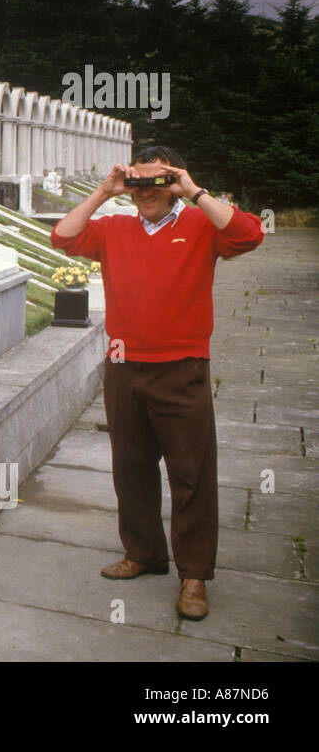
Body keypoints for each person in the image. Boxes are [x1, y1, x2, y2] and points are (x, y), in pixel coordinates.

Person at [50, 145, 264, 621]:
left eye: (158, 182)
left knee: (191, 473)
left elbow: (250, 235)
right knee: (131, 466)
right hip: (124, 367)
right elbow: (62, 239)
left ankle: (193, 575)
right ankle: (144, 553)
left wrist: (193, 191)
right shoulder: (114, 228)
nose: (147, 192)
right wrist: (106, 192)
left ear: (174, 183)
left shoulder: (199, 225)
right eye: (139, 182)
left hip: (181, 367)